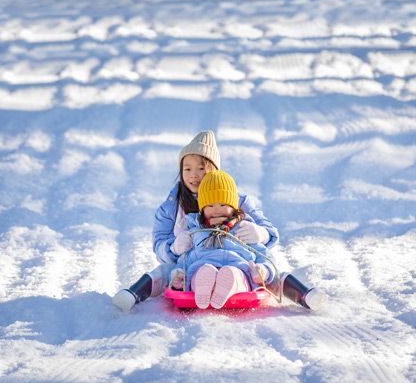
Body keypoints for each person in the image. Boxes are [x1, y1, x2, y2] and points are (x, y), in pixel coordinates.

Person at [112, 130, 326, 311]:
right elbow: (159, 245)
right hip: (187, 264)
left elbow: (269, 232)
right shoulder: (171, 207)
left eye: (202, 168)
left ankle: (306, 296)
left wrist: (260, 233)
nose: (194, 175)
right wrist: (174, 248)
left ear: (214, 169)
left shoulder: (236, 199)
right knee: (163, 273)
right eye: (187, 169)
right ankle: (132, 295)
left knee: (269, 273)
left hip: (238, 261)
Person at [168, 170, 276, 309]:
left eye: (223, 204)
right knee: (200, 272)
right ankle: (203, 284)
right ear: (202, 208)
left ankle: (231, 281)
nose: (216, 210)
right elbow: (186, 258)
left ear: (233, 206)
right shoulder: (196, 232)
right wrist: (178, 276)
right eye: (210, 205)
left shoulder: (244, 229)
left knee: (237, 275)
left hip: (238, 268)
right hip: (203, 265)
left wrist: (263, 271)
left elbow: (264, 255)